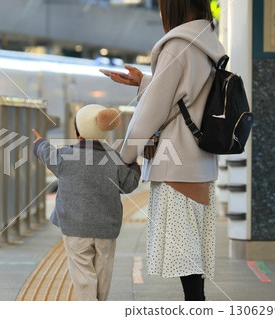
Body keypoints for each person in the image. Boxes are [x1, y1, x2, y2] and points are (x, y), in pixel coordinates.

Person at [108, 0, 225, 301]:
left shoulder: (177, 45)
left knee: (185, 256)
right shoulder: (206, 41)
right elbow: (187, 94)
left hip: (176, 165)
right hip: (199, 160)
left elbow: (153, 111)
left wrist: (124, 158)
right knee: (191, 254)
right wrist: (145, 81)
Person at [32, 104, 141, 301]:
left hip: (75, 227)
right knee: (103, 272)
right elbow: (128, 185)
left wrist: (39, 142)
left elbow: (46, 153)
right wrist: (133, 165)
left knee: (83, 275)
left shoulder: (65, 155)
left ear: (77, 132)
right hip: (106, 228)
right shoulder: (113, 158)